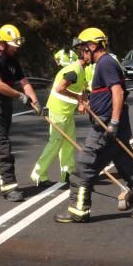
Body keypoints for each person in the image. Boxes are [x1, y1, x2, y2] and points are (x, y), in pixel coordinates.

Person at [55, 27, 133, 223]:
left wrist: (113, 122)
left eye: (83, 49)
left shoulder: (105, 64)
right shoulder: (106, 63)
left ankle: (78, 210)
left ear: (93, 46)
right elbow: (108, 93)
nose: (81, 53)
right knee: (128, 165)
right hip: (114, 125)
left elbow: (118, 92)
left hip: (106, 127)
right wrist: (92, 102)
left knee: (83, 166)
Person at [0, 24, 40, 203]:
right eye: (13, 45)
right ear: (1, 44)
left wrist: (35, 101)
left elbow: (24, 82)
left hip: (4, 105)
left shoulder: (13, 60)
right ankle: (10, 188)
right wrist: (20, 96)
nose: (16, 48)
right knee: (1, 146)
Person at [30, 48, 86, 188]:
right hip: (58, 111)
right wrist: (78, 98)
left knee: (69, 142)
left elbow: (81, 89)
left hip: (67, 112)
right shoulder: (74, 71)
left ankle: (67, 172)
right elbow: (60, 88)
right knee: (55, 143)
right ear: (85, 56)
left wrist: (82, 102)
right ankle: (38, 174)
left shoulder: (82, 70)